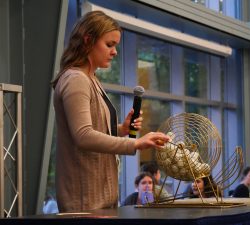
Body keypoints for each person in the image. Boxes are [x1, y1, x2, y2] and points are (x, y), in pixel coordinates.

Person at [52, 10, 170, 213]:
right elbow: (82, 136)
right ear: (88, 41)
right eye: (109, 45)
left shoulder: (91, 79)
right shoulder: (76, 79)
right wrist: (135, 143)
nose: (115, 52)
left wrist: (121, 129)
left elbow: (92, 129)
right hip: (84, 202)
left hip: (98, 198)